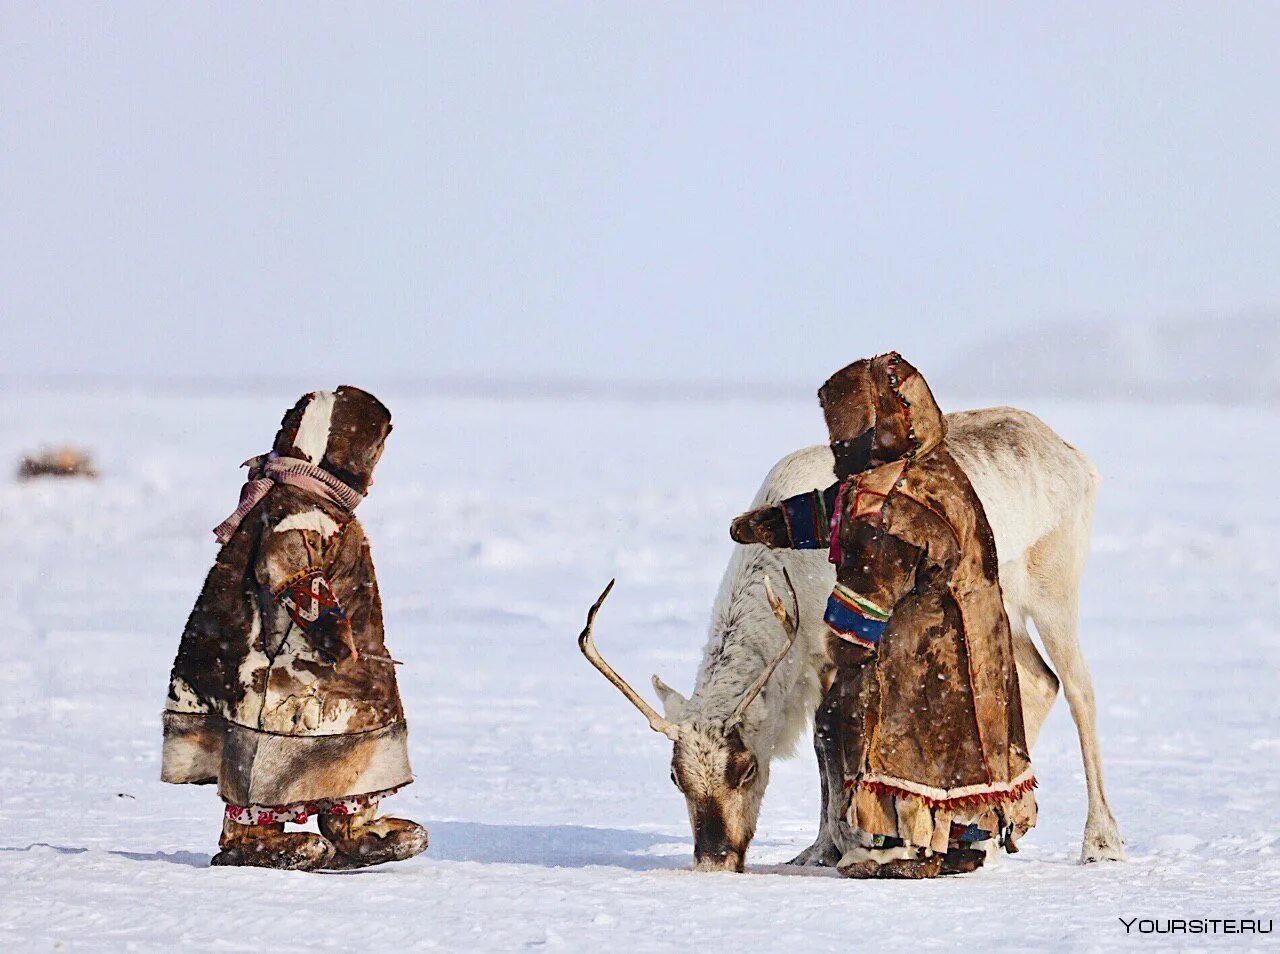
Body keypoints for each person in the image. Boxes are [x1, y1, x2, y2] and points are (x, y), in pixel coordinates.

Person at [730, 353, 1036, 878]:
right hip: (976, 639)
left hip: (925, 652)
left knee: (911, 739)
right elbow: (840, 512)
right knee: (965, 744)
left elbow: (871, 582)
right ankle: (961, 837)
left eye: (843, 436)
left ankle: (908, 846)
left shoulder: (896, 504)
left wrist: (844, 642)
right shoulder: (926, 470)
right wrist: (776, 525)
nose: (837, 448)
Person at [161, 386, 428, 870]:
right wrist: (327, 626)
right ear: (349, 450)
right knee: (274, 739)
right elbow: (287, 565)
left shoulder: (315, 503)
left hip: (329, 664)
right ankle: (252, 833)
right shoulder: (297, 506)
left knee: (349, 727)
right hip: (281, 661)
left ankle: (350, 822)